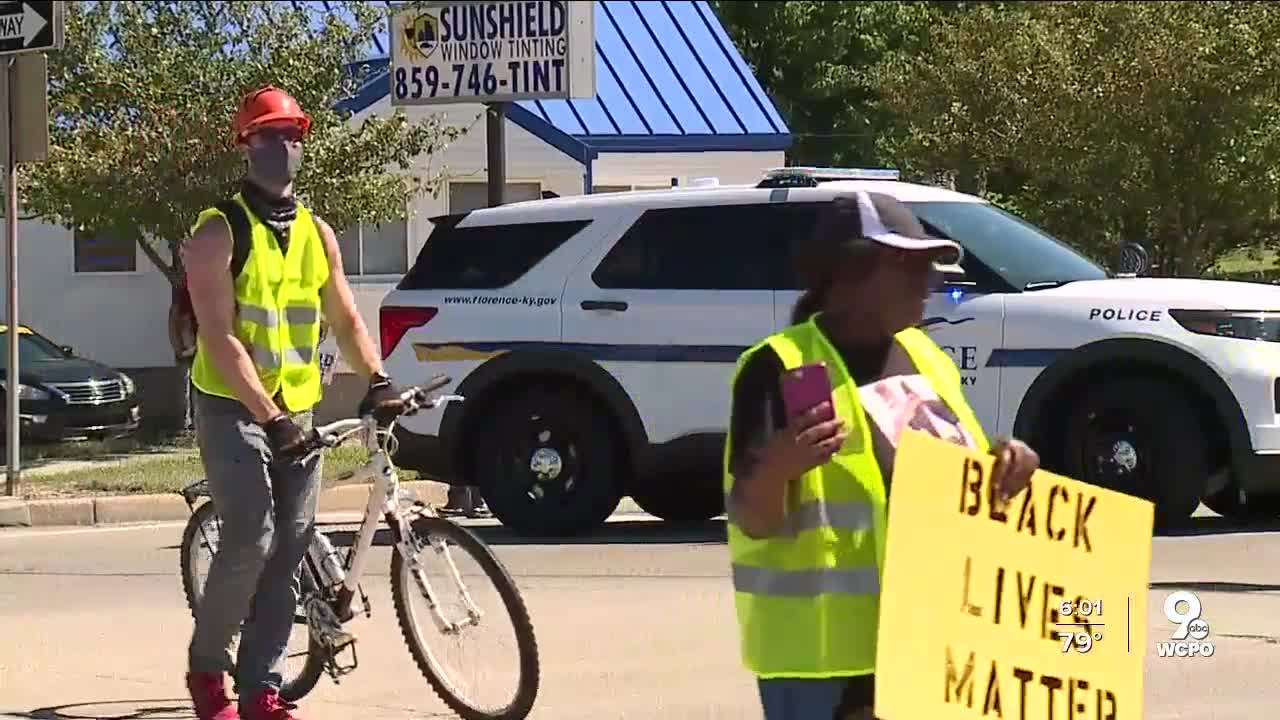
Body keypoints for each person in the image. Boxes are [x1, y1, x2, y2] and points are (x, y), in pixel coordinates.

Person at [723, 191, 1041, 720]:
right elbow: (753, 520)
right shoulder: (780, 365)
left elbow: (964, 475)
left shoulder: (925, 357)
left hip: (928, 637)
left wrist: (1008, 460)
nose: (930, 280)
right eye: (910, 263)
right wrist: (778, 468)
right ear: (853, 272)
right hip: (824, 663)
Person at [181, 84, 403, 720]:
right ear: (245, 146)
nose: (283, 147)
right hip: (232, 407)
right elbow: (219, 338)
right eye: (269, 135)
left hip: (297, 411)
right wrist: (269, 416)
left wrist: (377, 379)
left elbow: (346, 316)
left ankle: (262, 690)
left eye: (292, 136)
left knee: (292, 547)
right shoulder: (218, 232)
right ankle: (206, 673)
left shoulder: (318, 232)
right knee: (252, 533)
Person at [169, 273, 198, 433]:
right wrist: (179, 348)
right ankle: (186, 422)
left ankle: (193, 422)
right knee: (186, 386)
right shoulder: (183, 297)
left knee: (195, 387)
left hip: (199, 347)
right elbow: (176, 322)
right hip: (188, 347)